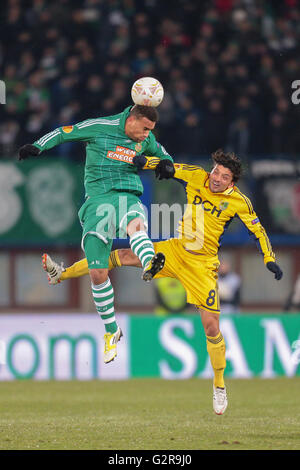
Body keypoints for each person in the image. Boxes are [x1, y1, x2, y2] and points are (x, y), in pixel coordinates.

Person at [42, 149, 283, 415]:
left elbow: (258, 231)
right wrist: (145, 162)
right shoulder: (196, 176)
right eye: (215, 171)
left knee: (212, 327)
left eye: (223, 176)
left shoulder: (239, 201)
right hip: (176, 250)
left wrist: (269, 259)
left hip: (202, 265)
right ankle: (61, 274)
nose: (215, 178)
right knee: (122, 255)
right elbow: (168, 165)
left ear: (231, 182)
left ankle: (219, 385)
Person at [18, 103, 175, 364]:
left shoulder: (145, 140)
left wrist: (165, 165)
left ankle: (149, 263)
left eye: (151, 131)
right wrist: (38, 146)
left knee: (136, 225)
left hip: (127, 194)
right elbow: (64, 132)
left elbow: (164, 157)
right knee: (97, 272)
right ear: (133, 120)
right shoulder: (99, 127)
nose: (147, 135)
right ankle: (112, 331)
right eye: (145, 129)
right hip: (97, 201)